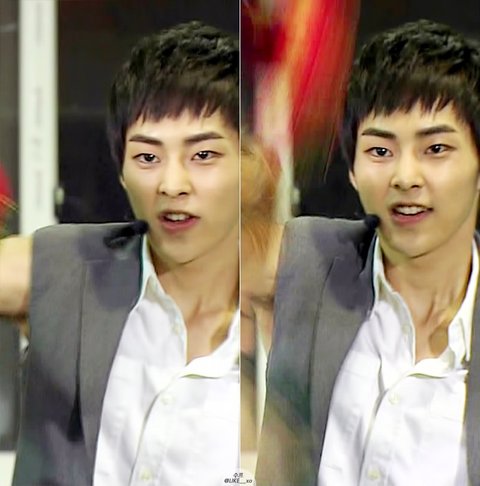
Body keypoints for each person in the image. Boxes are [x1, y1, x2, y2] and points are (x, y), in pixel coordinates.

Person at [0, 21, 239, 485]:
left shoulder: (301, 318)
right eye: (148, 157)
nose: (172, 184)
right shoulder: (71, 272)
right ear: (122, 170)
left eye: (203, 155)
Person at [256, 19, 480, 485]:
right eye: (380, 151)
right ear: (353, 169)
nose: (405, 177)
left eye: (436, 148)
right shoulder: (312, 261)